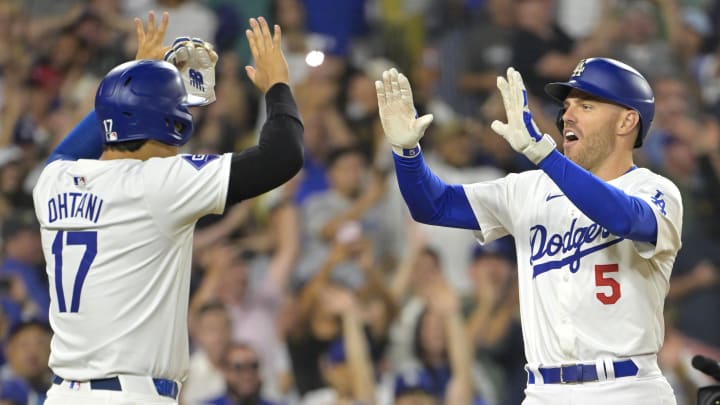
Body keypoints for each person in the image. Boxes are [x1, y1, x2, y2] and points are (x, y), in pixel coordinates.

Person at [375, 57, 682, 405]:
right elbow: (434, 205)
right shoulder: (529, 188)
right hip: (542, 391)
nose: (568, 115)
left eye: (586, 105)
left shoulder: (655, 190)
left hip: (627, 389)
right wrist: (407, 153)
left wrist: (545, 155)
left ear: (628, 120)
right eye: (566, 106)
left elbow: (624, 219)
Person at [32, 11, 303, 405]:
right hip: (131, 395)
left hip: (63, 394)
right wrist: (278, 84)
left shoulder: (53, 181)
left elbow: (70, 148)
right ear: (171, 124)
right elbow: (283, 156)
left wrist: (134, 78)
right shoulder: (158, 184)